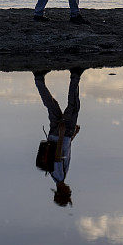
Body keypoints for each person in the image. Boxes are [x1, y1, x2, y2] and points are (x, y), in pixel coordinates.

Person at [34, 68, 83, 207]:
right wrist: (74, 135)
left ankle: (75, 75)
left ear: (62, 191)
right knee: (52, 105)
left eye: (68, 193)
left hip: (62, 133)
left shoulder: (59, 176)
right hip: (58, 135)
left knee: (73, 107)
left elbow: (57, 156)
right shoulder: (57, 176)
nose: (70, 191)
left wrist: (63, 133)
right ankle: (38, 79)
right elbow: (64, 151)